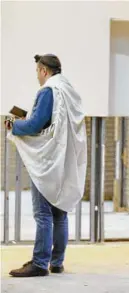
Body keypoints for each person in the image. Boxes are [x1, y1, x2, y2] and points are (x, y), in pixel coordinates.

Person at [6, 54, 87, 277]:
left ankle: (40, 263)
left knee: (43, 213)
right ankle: (57, 262)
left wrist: (13, 124)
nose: (38, 78)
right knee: (60, 213)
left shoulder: (49, 90)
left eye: (37, 73)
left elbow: (35, 125)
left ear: (43, 70)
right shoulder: (70, 90)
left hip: (48, 160)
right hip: (66, 160)